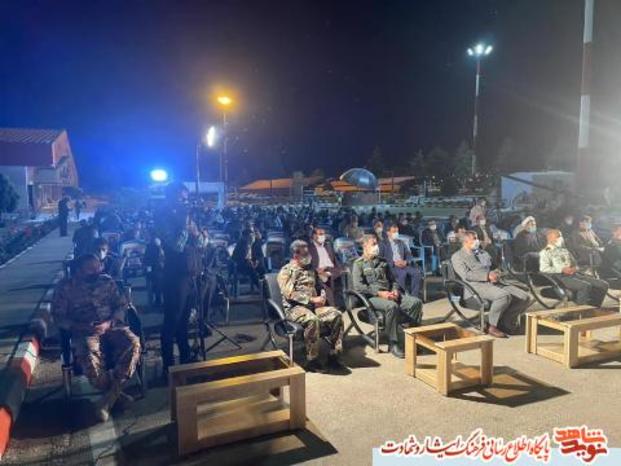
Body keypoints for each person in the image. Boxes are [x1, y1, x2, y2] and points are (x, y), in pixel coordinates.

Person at [51, 254, 140, 422]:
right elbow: (58, 317)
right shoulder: (65, 288)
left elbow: (122, 305)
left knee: (133, 344)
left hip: (112, 326)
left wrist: (109, 323)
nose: (96, 271)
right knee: (89, 360)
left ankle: (107, 401)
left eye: (98, 267)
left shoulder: (107, 281)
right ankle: (117, 395)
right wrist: (81, 326)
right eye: (90, 269)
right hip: (84, 331)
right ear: (79, 270)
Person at [156, 181, 207, 375]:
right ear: (170, 198)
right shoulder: (162, 217)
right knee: (172, 321)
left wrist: (197, 233)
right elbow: (176, 246)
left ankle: (185, 357)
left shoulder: (187, 217)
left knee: (185, 320)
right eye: (181, 199)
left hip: (191, 273)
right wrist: (186, 227)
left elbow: (201, 243)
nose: (185, 202)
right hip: (174, 277)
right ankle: (168, 365)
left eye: (186, 199)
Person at [277, 240, 345, 372]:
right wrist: (312, 299)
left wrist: (323, 296)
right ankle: (312, 360)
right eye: (305, 254)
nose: (309, 256)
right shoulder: (286, 271)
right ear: (295, 255)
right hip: (294, 309)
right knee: (312, 320)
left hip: (313, 307)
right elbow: (290, 294)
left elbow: (319, 285)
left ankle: (334, 355)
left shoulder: (310, 269)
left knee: (336, 315)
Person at [352, 234, 423, 358]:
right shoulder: (359, 264)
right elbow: (359, 287)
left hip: (390, 293)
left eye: (377, 244)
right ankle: (393, 343)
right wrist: (379, 293)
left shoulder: (383, 261)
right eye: (373, 244)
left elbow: (393, 280)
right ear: (365, 246)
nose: (377, 247)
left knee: (416, 303)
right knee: (391, 306)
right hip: (373, 297)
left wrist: (395, 290)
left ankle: (412, 339)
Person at [451, 231, 531, 338]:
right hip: (475, 287)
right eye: (474, 238)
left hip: (495, 282)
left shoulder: (482, 253)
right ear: (465, 241)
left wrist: (496, 272)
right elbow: (466, 275)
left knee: (524, 297)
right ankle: (491, 326)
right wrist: (487, 276)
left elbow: (494, 266)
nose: (477, 241)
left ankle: (505, 322)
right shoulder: (457, 256)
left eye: (477, 238)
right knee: (503, 296)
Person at [539, 229, 608, 307]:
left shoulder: (564, 251)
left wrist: (575, 268)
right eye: (558, 236)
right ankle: (580, 310)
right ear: (550, 238)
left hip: (575, 274)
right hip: (560, 278)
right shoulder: (545, 252)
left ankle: (594, 307)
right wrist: (562, 270)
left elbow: (574, 263)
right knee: (585, 286)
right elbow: (543, 269)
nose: (561, 238)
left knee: (603, 284)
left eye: (561, 236)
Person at [379, 223, 422, 297]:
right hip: (391, 266)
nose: (396, 234)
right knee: (402, 274)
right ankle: (401, 296)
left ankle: (414, 297)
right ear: (388, 233)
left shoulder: (401, 242)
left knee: (416, 273)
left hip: (403, 264)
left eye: (397, 232)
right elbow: (380, 258)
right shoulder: (383, 244)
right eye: (394, 232)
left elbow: (408, 254)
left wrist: (406, 261)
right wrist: (393, 263)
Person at [308, 227, 343, 307]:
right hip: (318, 272)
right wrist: (318, 270)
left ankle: (335, 304)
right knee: (322, 279)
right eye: (320, 234)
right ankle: (330, 306)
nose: (323, 236)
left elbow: (335, 262)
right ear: (314, 236)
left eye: (323, 234)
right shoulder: (309, 248)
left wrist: (332, 270)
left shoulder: (328, 246)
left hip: (331, 270)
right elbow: (309, 265)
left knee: (338, 274)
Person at [144, 236, 165, 306]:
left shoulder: (160, 249)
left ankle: (157, 300)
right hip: (154, 271)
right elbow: (146, 261)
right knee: (155, 285)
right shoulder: (150, 249)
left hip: (159, 271)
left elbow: (163, 261)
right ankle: (156, 300)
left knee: (157, 285)